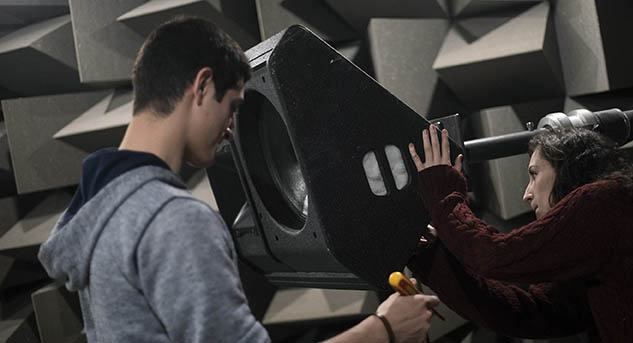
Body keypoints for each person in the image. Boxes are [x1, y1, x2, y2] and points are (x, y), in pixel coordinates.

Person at [38, 17, 439, 343]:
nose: (231, 131)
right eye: (232, 107)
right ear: (202, 85)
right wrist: (384, 329)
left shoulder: (99, 210)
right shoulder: (174, 221)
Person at [406, 124, 633, 342]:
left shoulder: (607, 202)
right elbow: (529, 313)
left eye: (534, 174)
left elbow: (493, 255)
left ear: (568, 167)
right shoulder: (609, 229)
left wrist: (444, 193)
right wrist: (433, 257)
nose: (526, 195)